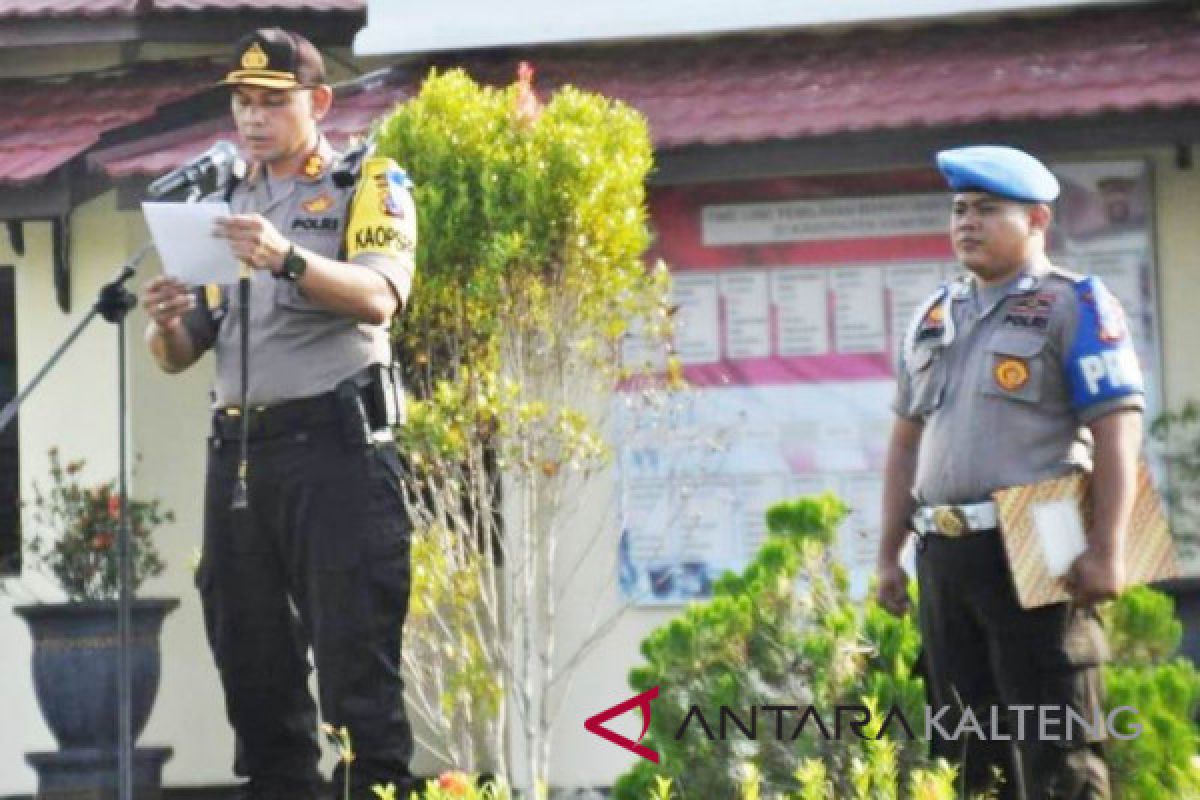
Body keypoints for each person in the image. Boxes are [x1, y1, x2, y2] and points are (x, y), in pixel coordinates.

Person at [142, 28, 418, 800]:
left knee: (357, 687)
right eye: (242, 103)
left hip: (336, 453)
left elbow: (380, 295)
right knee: (256, 684)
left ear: (319, 103)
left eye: (272, 103)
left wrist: (288, 257)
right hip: (238, 460)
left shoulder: (369, 179)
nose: (253, 119)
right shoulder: (218, 204)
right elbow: (183, 350)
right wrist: (165, 322)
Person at [875, 145, 1144, 799]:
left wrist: (1109, 550)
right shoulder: (934, 315)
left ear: (1037, 221)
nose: (967, 221)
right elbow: (906, 442)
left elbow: (1117, 429)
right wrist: (889, 556)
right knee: (965, 751)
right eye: (959, 209)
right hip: (945, 549)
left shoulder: (1074, 304)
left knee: (1059, 741)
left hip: (1041, 532)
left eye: (987, 209)